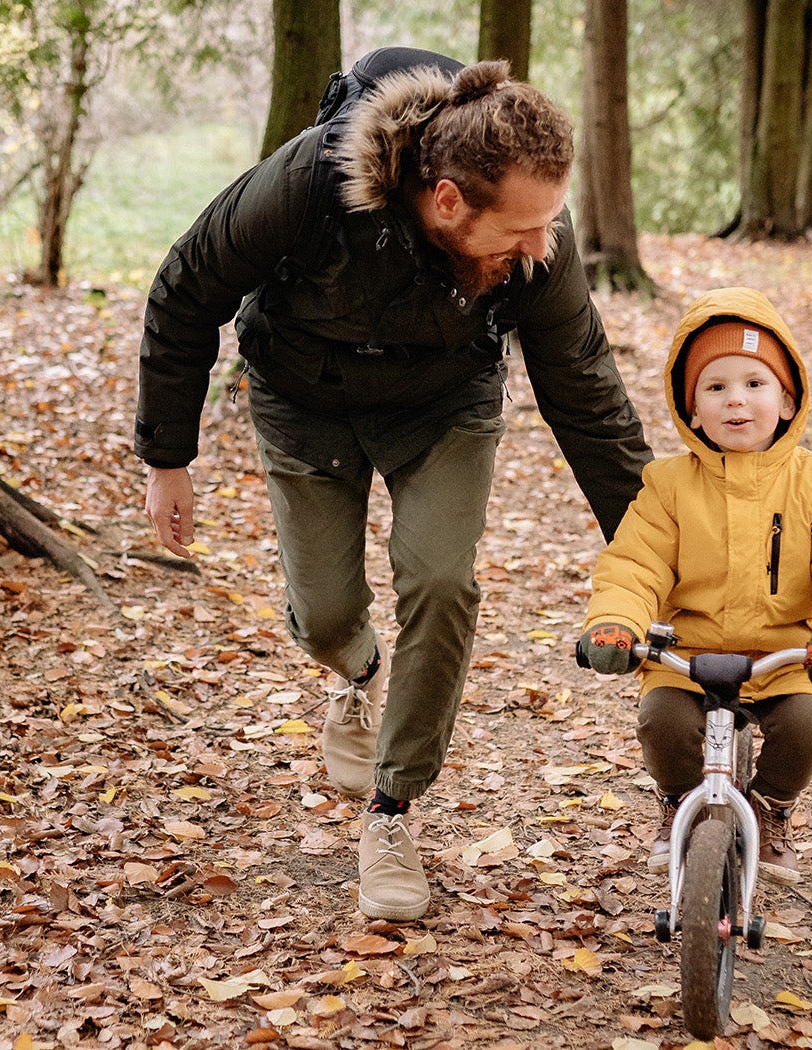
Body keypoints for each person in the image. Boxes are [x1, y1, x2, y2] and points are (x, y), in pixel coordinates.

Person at [136, 54, 653, 921]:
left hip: (442, 406)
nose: (542, 246)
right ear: (447, 200)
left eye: (548, 225)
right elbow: (187, 289)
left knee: (442, 578)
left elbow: (586, 393)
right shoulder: (307, 183)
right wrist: (167, 456)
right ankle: (356, 668)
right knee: (329, 613)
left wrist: (656, 547)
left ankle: (391, 810)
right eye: (521, 229)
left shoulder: (538, 245)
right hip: (304, 400)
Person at [577, 286, 812, 886]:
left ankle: (770, 808)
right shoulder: (667, 485)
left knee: (807, 724)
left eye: (754, 383)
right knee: (661, 722)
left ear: (787, 396)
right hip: (688, 652)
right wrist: (616, 622)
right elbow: (634, 564)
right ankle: (677, 801)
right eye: (715, 387)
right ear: (691, 409)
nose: (736, 401)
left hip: (787, 654)